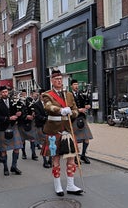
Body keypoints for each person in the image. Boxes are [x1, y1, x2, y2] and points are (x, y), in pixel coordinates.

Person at [42, 68, 83, 196]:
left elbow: (76, 109)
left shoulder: (69, 95)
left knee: (71, 158)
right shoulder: (47, 94)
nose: (59, 81)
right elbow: (48, 106)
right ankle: (58, 185)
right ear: (52, 81)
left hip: (68, 129)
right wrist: (61, 110)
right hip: (54, 130)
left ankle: (70, 185)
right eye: (57, 79)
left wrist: (72, 112)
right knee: (56, 158)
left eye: (61, 79)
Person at [0, 86, 23, 176]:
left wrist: (19, 114)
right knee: (3, 149)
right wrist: (8, 118)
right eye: (3, 92)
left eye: (6, 92)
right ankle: (5, 167)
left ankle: (14, 166)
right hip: (3, 127)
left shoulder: (13, 101)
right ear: (0, 93)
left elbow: (19, 111)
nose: (5, 93)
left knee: (17, 147)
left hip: (13, 127)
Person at [71, 79, 93, 164]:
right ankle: (76, 156)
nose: (76, 86)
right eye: (74, 84)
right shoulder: (68, 95)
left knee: (87, 138)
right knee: (75, 140)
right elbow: (68, 108)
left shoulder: (81, 93)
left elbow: (85, 102)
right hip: (74, 118)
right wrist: (78, 110)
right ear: (71, 86)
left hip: (82, 118)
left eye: (77, 84)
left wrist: (87, 106)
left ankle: (83, 155)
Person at [18, 89, 38, 161]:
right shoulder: (17, 102)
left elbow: (34, 107)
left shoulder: (29, 100)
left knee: (32, 138)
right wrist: (25, 116)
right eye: (22, 93)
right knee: (22, 139)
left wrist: (33, 113)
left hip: (30, 122)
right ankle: (23, 153)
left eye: (24, 93)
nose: (24, 94)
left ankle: (34, 154)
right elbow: (16, 113)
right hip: (22, 122)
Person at [34, 88, 52, 168]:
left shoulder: (49, 103)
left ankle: (50, 160)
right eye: (43, 95)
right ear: (40, 95)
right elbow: (37, 116)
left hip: (50, 126)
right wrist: (46, 118)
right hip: (41, 126)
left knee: (51, 143)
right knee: (44, 144)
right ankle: (45, 161)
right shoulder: (36, 104)